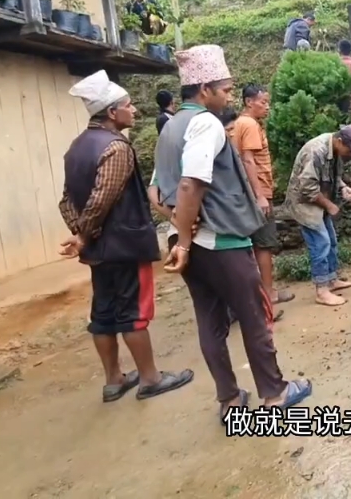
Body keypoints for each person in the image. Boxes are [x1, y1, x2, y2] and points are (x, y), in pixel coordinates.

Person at [153, 44, 312, 419]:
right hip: (221, 241)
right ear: (204, 89)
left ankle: (229, 398)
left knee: (210, 321)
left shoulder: (168, 127)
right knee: (254, 314)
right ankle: (274, 392)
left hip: (189, 245)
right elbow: (192, 184)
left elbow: (156, 193)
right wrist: (190, 238)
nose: (229, 96)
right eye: (224, 89)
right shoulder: (205, 123)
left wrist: (180, 228)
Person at [58, 70, 194, 403]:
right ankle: (150, 379)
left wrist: (79, 233)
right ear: (111, 113)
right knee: (133, 312)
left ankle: (114, 379)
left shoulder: (77, 147)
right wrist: (85, 235)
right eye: (128, 105)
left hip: (98, 251)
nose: (134, 111)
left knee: (103, 313)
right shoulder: (116, 147)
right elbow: (102, 197)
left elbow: (66, 199)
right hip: (123, 244)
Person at [229, 84, 295, 316]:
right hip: (259, 193)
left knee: (258, 245)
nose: (267, 107)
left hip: (250, 193)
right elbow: (248, 160)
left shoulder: (240, 124)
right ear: (249, 102)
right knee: (264, 244)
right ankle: (268, 295)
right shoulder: (249, 125)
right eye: (263, 102)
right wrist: (260, 195)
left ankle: (266, 291)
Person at [284, 124, 351, 306]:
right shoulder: (316, 151)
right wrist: (330, 205)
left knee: (331, 239)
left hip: (319, 200)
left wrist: (343, 187)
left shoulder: (335, 151)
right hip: (305, 204)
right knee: (321, 243)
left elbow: (332, 176)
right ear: (339, 141)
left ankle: (331, 279)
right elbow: (307, 188)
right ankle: (321, 290)